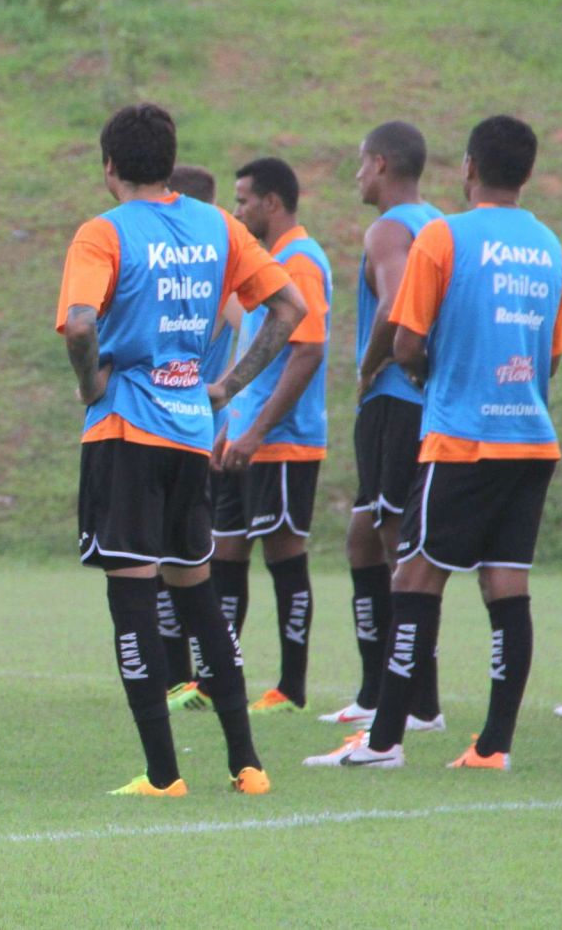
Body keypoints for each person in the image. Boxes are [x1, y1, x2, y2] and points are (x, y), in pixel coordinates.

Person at [305, 115, 562, 770]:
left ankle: (384, 741)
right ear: (528, 172)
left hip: (462, 438)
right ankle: (493, 747)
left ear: (470, 167)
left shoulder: (446, 237)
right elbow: (552, 356)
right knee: (506, 586)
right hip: (530, 439)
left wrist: (428, 373)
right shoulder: (550, 248)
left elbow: (406, 341)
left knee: (415, 575)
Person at [60, 103, 305, 797]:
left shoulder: (103, 233)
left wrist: (90, 384)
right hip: (191, 432)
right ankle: (247, 764)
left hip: (127, 433)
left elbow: (79, 326)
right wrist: (226, 386)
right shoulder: (219, 226)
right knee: (198, 596)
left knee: (133, 598)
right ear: (169, 163)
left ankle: (164, 774)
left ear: (110, 165)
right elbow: (288, 309)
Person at [320, 121, 446, 730]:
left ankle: (419, 702)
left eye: (360, 163)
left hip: (395, 400)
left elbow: (395, 307)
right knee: (363, 536)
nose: (355, 175)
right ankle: (374, 692)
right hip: (422, 400)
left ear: (380, 164)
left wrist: (369, 366)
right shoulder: (440, 224)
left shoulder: (390, 228)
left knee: (399, 546)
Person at [197, 158, 330, 716]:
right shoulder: (271, 263)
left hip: (283, 443)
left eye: (243, 200)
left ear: (272, 203)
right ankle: (215, 681)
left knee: (283, 554)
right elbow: (255, 350)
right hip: (245, 439)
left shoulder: (301, 262)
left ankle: (290, 687)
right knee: (226, 551)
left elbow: (308, 351)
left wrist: (256, 431)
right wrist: (230, 426)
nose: (236, 211)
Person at [156, 163, 230, 691]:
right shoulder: (189, 267)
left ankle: (206, 676)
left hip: (195, 431)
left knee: (190, 567)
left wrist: (229, 391)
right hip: (177, 428)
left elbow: (261, 322)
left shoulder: (214, 273)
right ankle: (179, 678)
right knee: (167, 564)